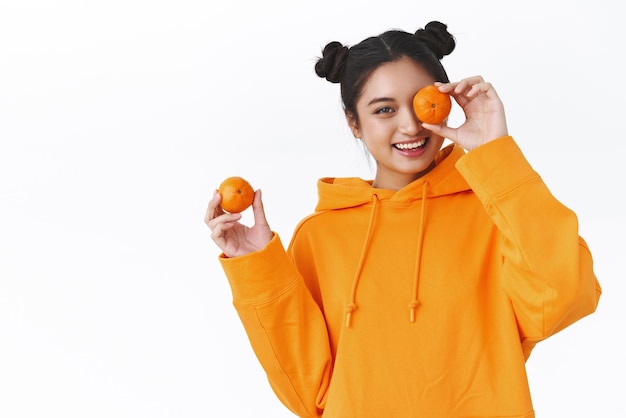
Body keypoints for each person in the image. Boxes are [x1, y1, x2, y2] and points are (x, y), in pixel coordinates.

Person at [205, 21, 601, 418]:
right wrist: (259, 268)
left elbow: (562, 297)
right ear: (353, 122)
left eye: (421, 101)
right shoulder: (319, 235)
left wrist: (495, 154)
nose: (410, 125)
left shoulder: (495, 211)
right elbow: (310, 394)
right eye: (384, 110)